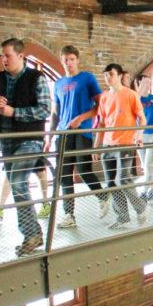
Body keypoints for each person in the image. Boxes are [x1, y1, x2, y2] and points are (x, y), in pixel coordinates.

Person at [0, 38, 51, 256]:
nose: (4, 60)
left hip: (30, 139)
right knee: (17, 184)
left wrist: (14, 112)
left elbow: (44, 110)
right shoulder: (0, 79)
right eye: (2, 56)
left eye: (8, 55)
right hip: (7, 141)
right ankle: (33, 233)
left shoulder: (37, 78)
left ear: (20, 56)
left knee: (16, 180)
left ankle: (31, 233)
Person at [48, 45, 109, 228]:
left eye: (72, 59)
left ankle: (102, 195)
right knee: (64, 175)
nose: (69, 62)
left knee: (83, 170)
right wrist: (50, 136)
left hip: (82, 131)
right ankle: (69, 215)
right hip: (63, 133)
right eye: (65, 59)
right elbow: (55, 113)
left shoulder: (87, 79)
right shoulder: (58, 84)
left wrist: (81, 118)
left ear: (77, 60)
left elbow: (100, 106)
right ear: (62, 60)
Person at [93, 63, 148, 229]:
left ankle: (140, 207)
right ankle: (123, 217)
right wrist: (96, 146)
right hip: (108, 145)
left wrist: (138, 135)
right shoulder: (104, 97)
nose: (108, 77)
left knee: (122, 179)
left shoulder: (131, 95)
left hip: (125, 143)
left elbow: (142, 119)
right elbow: (101, 123)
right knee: (111, 183)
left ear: (119, 75)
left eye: (111, 74)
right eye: (105, 75)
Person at [135, 74, 153, 202]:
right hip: (140, 136)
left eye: (149, 82)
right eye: (145, 82)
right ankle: (151, 190)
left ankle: (145, 190)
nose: (148, 84)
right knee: (145, 165)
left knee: (148, 164)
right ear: (139, 84)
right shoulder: (135, 99)